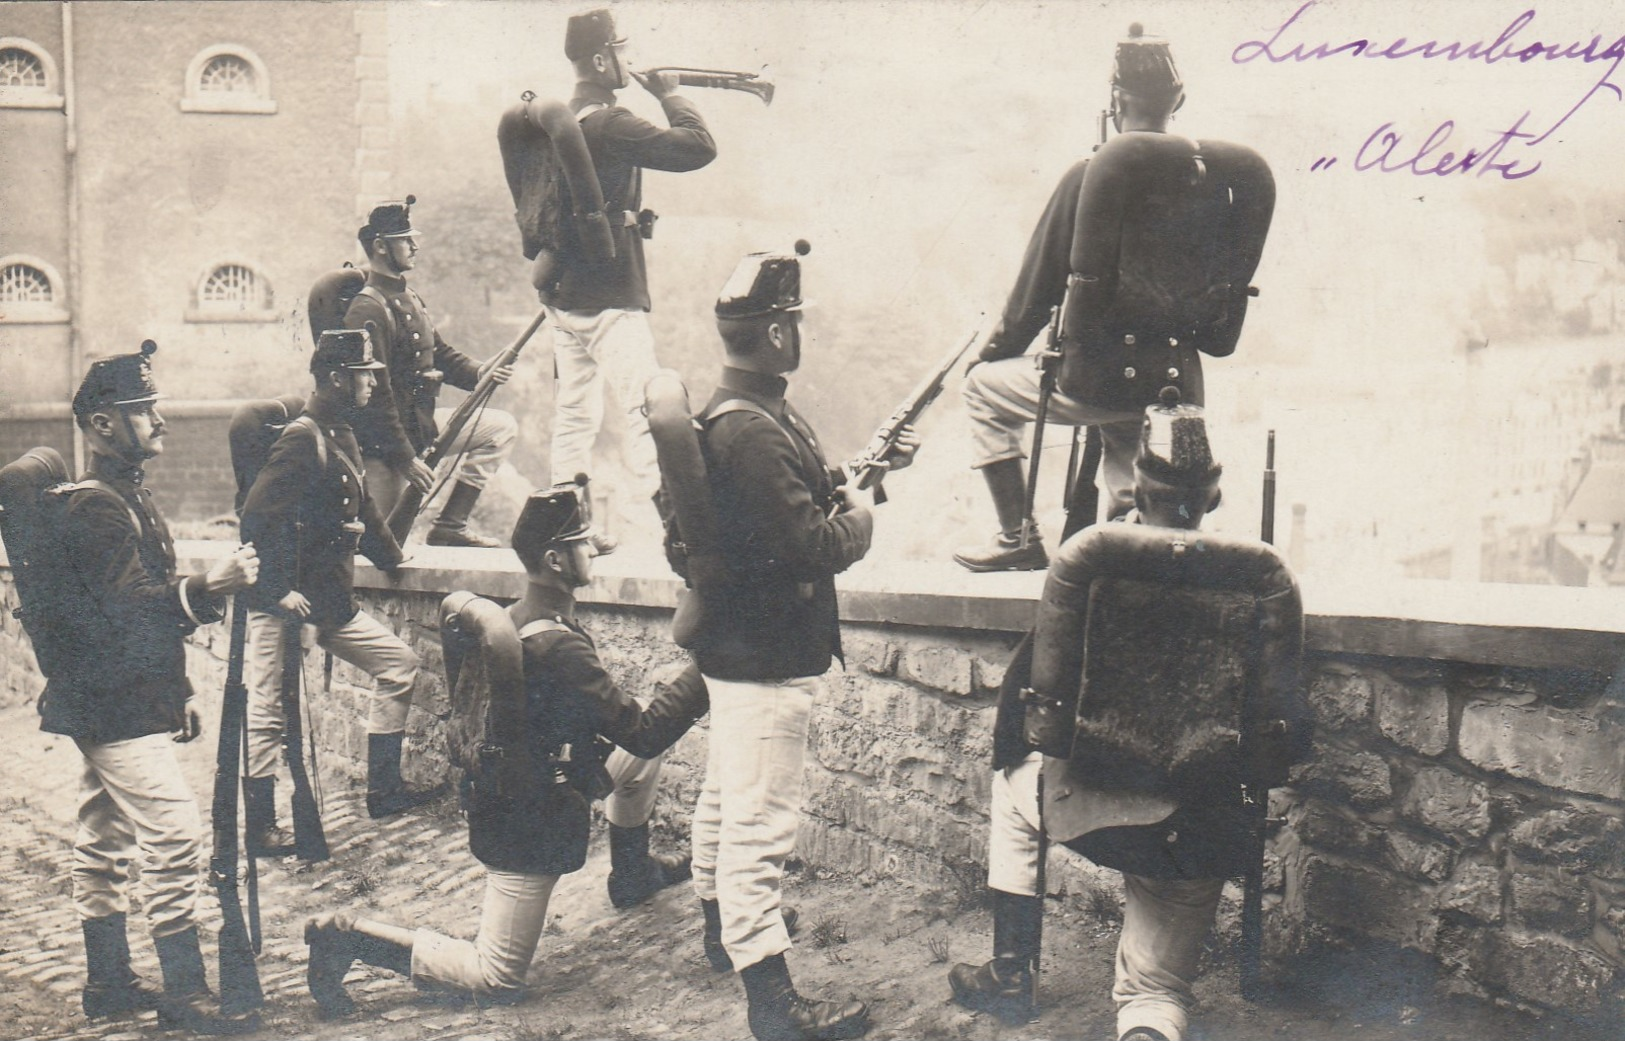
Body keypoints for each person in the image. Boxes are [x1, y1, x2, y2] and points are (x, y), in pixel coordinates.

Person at [947, 398, 1305, 1041]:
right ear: (1215, 495)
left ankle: (1012, 972)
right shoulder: (1262, 577)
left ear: (1135, 485)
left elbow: (1035, 723)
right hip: (1203, 824)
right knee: (1154, 998)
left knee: (1009, 787)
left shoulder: (1090, 560)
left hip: (1089, 805)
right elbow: (1281, 735)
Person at [302, 478, 707, 1014]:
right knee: (496, 976)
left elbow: (627, 735)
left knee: (639, 760)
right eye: (583, 543)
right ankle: (346, 935)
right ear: (556, 560)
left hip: (532, 783)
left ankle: (631, 875)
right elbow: (644, 729)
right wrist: (709, 668)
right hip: (527, 818)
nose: (596, 549)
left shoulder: (527, 616)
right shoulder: (558, 643)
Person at [682, 247, 913, 1041]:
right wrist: (864, 518)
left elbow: (786, 505)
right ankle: (773, 1006)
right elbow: (809, 542)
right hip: (769, 653)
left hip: (738, 645)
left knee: (724, 795)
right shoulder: (757, 429)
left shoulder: (742, 415)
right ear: (777, 331)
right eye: (795, 323)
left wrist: (861, 477)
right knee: (761, 821)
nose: (798, 335)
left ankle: (720, 928)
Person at [956, 24, 1270, 572]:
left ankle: (1016, 537)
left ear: (1117, 100)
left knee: (983, 392)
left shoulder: (1091, 174)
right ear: (1179, 101)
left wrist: (990, 353)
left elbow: (1035, 291)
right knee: (1132, 475)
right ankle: (1137, 559)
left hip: (1097, 374)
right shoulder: (1213, 184)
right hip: (1172, 381)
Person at [43, 340, 260, 1032]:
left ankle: (108, 981)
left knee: (104, 833)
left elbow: (140, 615)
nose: (160, 420)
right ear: (102, 424)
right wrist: (208, 585)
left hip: (122, 696)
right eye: (144, 410)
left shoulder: (123, 495)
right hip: (111, 704)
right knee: (172, 833)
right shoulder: (96, 508)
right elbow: (133, 608)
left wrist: (180, 690)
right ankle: (185, 992)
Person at [239, 330, 444, 822]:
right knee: (267, 713)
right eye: (363, 377)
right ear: (336, 378)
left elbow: (365, 514)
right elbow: (255, 519)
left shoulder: (342, 434)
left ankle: (384, 791)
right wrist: (276, 590)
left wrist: (394, 558)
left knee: (399, 665)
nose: (372, 385)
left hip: (329, 602)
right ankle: (262, 827)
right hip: (285, 603)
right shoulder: (300, 438)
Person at [543, 7, 717, 551]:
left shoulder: (558, 120)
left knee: (574, 415)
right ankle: (681, 527)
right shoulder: (610, 123)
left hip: (564, 291)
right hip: (610, 292)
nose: (629, 60)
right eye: (622, 49)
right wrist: (670, 95)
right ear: (600, 58)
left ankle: (564, 528)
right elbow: (698, 148)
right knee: (648, 407)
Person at [345, 196, 518, 548]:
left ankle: (451, 525)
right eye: (405, 240)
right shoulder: (367, 308)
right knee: (384, 547)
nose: (415, 246)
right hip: (385, 445)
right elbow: (375, 398)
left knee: (500, 429)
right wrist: (406, 459)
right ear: (380, 246)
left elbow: (437, 353)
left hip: (422, 426)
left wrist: (480, 372)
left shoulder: (410, 297)